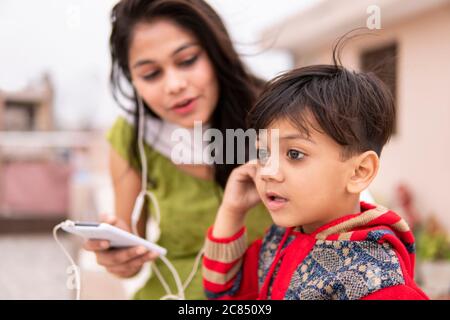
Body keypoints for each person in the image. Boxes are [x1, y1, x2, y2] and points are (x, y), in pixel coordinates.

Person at [83, 0, 272, 300]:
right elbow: (131, 256)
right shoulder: (133, 137)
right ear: (133, 81)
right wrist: (118, 257)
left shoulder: (277, 118)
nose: (174, 85)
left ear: (214, 52)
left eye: (187, 60)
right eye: (151, 74)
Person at [202, 63, 429, 300]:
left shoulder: (382, 284)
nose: (267, 171)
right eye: (263, 154)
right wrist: (232, 211)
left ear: (359, 172)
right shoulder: (280, 240)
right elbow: (224, 293)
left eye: (294, 154)